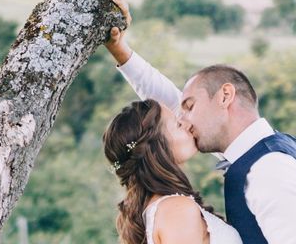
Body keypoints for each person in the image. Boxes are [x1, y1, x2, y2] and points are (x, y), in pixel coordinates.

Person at [105, 0, 296, 244]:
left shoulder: (269, 170)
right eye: (178, 117)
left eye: (190, 107)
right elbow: (166, 108)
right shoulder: (258, 153)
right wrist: (120, 51)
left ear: (225, 97)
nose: (183, 119)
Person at [103, 99, 243, 244]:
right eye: (177, 123)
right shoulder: (177, 210)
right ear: (157, 147)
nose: (187, 125)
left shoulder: (165, 208)